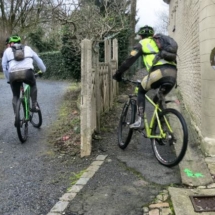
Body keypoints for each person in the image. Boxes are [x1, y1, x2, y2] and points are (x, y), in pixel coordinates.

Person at [113, 25, 177, 128]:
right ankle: (162, 127)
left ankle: (139, 120)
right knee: (158, 99)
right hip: (173, 74)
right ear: (153, 35)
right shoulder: (161, 44)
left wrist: (118, 74)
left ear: (141, 36)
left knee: (141, 90)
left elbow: (128, 61)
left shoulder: (143, 43)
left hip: (159, 73)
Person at [2, 35, 46, 125]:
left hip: (13, 75)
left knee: (15, 96)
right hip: (28, 73)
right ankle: (34, 105)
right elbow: (38, 60)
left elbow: (4, 67)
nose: (7, 46)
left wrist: (8, 79)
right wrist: (43, 70)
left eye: (8, 44)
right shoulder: (28, 48)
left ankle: (16, 118)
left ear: (12, 43)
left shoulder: (7, 51)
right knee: (33, 85)